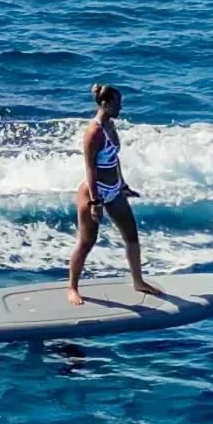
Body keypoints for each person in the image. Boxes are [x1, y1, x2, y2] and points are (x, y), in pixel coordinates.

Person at [67, 84, 166, 304]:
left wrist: (122, 184)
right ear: (105, 103)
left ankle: (138, 281)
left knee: (131, 236)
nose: (121, 107)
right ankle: (72, 288)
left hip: (114, 191)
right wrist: (95, 202)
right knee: (87, 242)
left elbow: (114, 158)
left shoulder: (111, 125)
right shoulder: (93, 132)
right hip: (95, 192)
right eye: (117, 103)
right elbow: (90, 168)